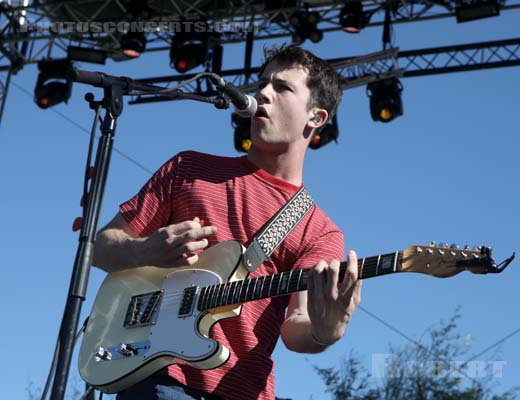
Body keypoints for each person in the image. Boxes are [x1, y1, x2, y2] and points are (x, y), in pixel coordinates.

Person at [92, 44, 362, 400]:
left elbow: (296, 327)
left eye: (282, 88)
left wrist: (326, 331)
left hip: (241, 390)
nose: (263, 92)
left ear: (316, 117)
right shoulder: (188, 169)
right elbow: (99, 249)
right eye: (262, 82)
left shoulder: (319, 229)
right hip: (160, 377)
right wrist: (146, 249)